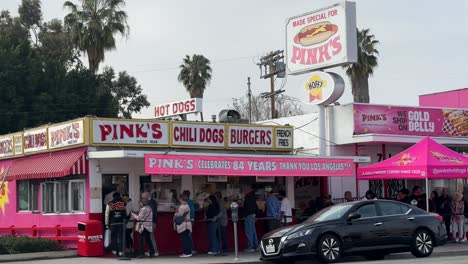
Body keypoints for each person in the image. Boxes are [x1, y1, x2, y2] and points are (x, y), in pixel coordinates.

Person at [141, 192, 159, 257]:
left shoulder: (151, 202)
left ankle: (155, 251)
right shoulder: (152, 202)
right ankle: (151, 250)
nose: (143, 199)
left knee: (151, 236)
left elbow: (149, 212)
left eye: (143, 197)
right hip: (151, 221)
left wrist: (142, 206)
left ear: (147, 196)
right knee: (149, 237)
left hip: (151, 221)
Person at [243, 185, 258, 252]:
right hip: (252, 215)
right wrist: (255, 214)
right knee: (253, 231)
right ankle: (256, 245)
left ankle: (250, 247)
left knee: (249, 231)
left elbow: (247, 207)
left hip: (248, 215)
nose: (243, 191)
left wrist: (244, 214)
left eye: (244, 190)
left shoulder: (247, 197)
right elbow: (255, 206)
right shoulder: (253, 196)